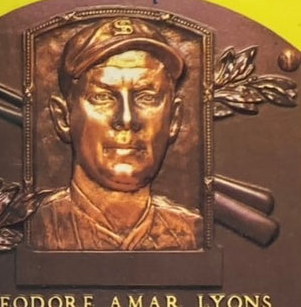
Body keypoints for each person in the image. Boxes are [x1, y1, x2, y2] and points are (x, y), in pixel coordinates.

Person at [30, 16, 202, 250]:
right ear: (63, 117)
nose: (127, 119)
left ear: (173, 118)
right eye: (102, 97)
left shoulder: (194, 233)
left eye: (146, 97)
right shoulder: (35, 228)